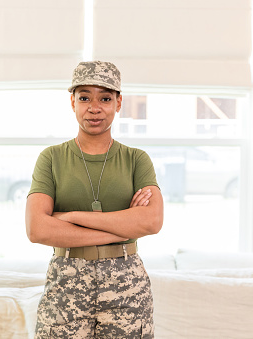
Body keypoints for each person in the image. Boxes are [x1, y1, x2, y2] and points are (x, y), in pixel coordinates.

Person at [25, 60, 164, 338]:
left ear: (119, 103)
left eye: (105, 98)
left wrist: (70, 218)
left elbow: (151, 221)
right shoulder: (51, 158)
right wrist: (122, 227)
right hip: (66, 281)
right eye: (85, 97)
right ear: (73, 102)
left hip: (127, 284)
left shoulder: (136, 159)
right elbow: (37, 229)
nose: (94, 107)